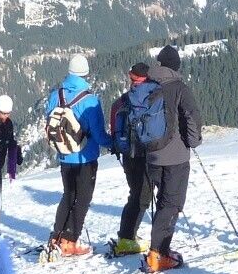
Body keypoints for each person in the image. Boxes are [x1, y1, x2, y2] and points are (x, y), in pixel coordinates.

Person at [40, 56, 110, 257]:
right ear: (85, 73)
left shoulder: (56, 95)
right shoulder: (90, 100)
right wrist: (114, 144)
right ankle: (70, 241)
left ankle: (56, 237)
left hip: (64, 155)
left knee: (68, 195)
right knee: (83, 198)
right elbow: (98, 134)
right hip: (85, 157)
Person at [141, 44, 202, 272]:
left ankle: (159, 250)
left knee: (162, 202)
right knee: (171, 204)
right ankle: (158, 254)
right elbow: (192, 116)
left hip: (151, 154)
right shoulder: (179, 88)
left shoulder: (147, 86)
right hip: (175, 155)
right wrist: (193, 141)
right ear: (176, 66)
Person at [107, 62, 158, 255]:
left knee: (135, 193)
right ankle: (127, 238)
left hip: (128, 155)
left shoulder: (121, 102)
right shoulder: (152, 97)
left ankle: (126, 236)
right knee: (143, 196)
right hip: (148, 152)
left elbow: (114, 130)